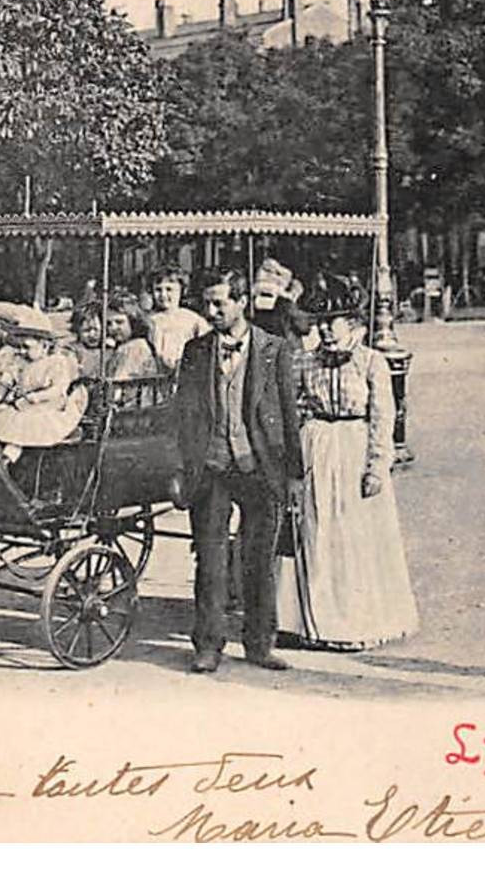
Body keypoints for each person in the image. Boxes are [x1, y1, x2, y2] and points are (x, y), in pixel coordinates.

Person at [277, 276, 419, 651]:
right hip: (318, 448)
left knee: (355, 536)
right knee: (317, 530)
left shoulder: (371, 362)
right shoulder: (304, 362)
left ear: (354, 324)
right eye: (319, 323)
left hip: (354, 448)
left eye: (333, 321)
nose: (324, 330)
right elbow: (291, 410)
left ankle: (356, 620)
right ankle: (315, 621)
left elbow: (382, 419)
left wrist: (376, 466)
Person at [173, 267, 302, 673]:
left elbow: (288, 413)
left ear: (242, 300)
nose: (211, 311)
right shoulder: (195, 351)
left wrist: (293, 474)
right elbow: (183, 415)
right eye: (207, 303)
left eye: (220, 303)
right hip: (210, 467)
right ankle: (208, 645)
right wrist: (181, 467)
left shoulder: (274, 348)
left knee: (258, 558)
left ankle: (260, 644)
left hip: (259, 466)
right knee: (210, 560)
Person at [0, 323, 84, 461]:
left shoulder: (56, 362)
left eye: (27, 347)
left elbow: (58, 390)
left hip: (46, 408)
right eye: (20, 347)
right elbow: (6, 385)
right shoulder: (20, 363)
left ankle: (8, 458)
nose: (22, 351)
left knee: (20, 430)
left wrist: (36, 397)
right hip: (22, 405)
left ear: (45, 346)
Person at [144, 266, 211, 375]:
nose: (163, 295)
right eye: (158, 290)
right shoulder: (149, 321)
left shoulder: (193, 320)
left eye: (169, 289)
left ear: (182, 290)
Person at [102, 300, 160, 381]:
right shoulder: (123, 347)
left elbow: (120, 381)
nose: (113, 328)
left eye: (119, 322)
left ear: (133, 322)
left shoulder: (136, 347)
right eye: (109, 323)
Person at [69, 303, 108, 381]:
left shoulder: (108, 349)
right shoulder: (73, 350)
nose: (92, 334)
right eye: (86, 330)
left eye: (96, 329)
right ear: (77, 331)